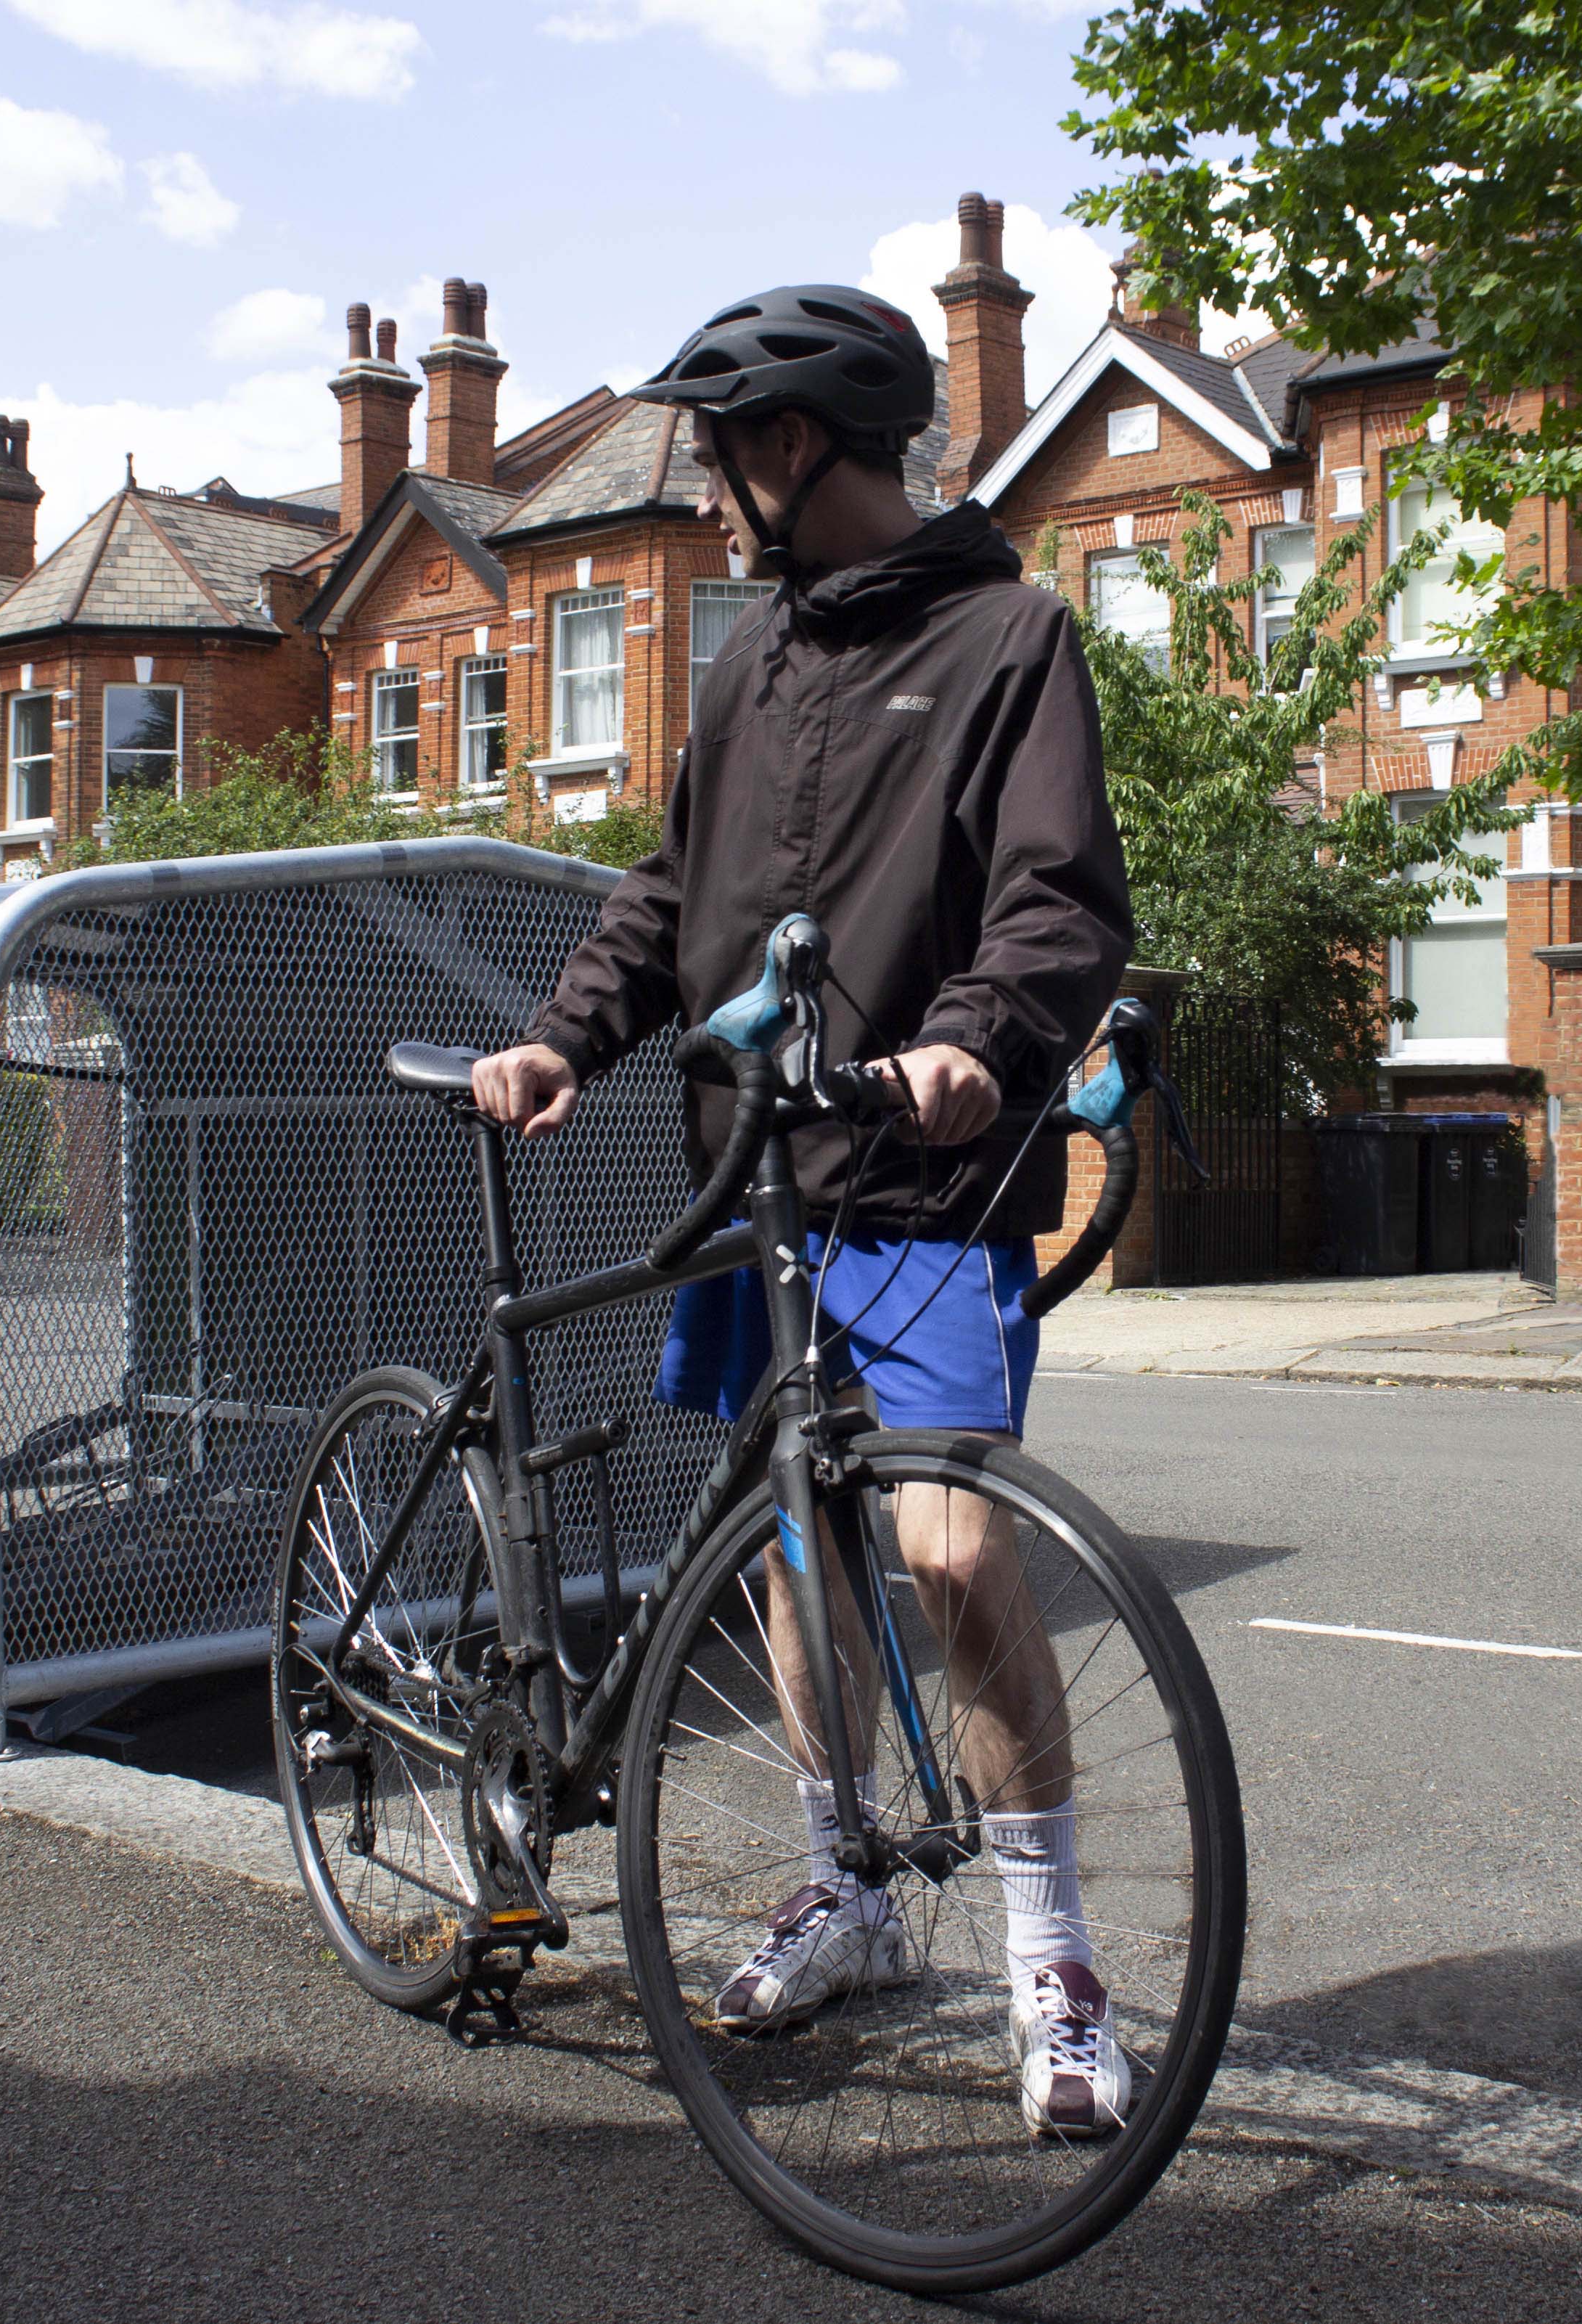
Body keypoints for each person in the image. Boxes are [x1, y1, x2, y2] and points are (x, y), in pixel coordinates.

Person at [468, 285, 1138, 2136]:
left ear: (791, 448)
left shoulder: (1010, 639)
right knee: (794, 1547)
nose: (701, 480)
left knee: (947, 1550)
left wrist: (981, 1045)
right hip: (752, 1185)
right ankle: (843, 1880)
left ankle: (1050, 1961)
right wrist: (557, 1044)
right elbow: (665, 893)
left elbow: (1059, 900)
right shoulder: (748, 662)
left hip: (920, 1180)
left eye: (715, 443)